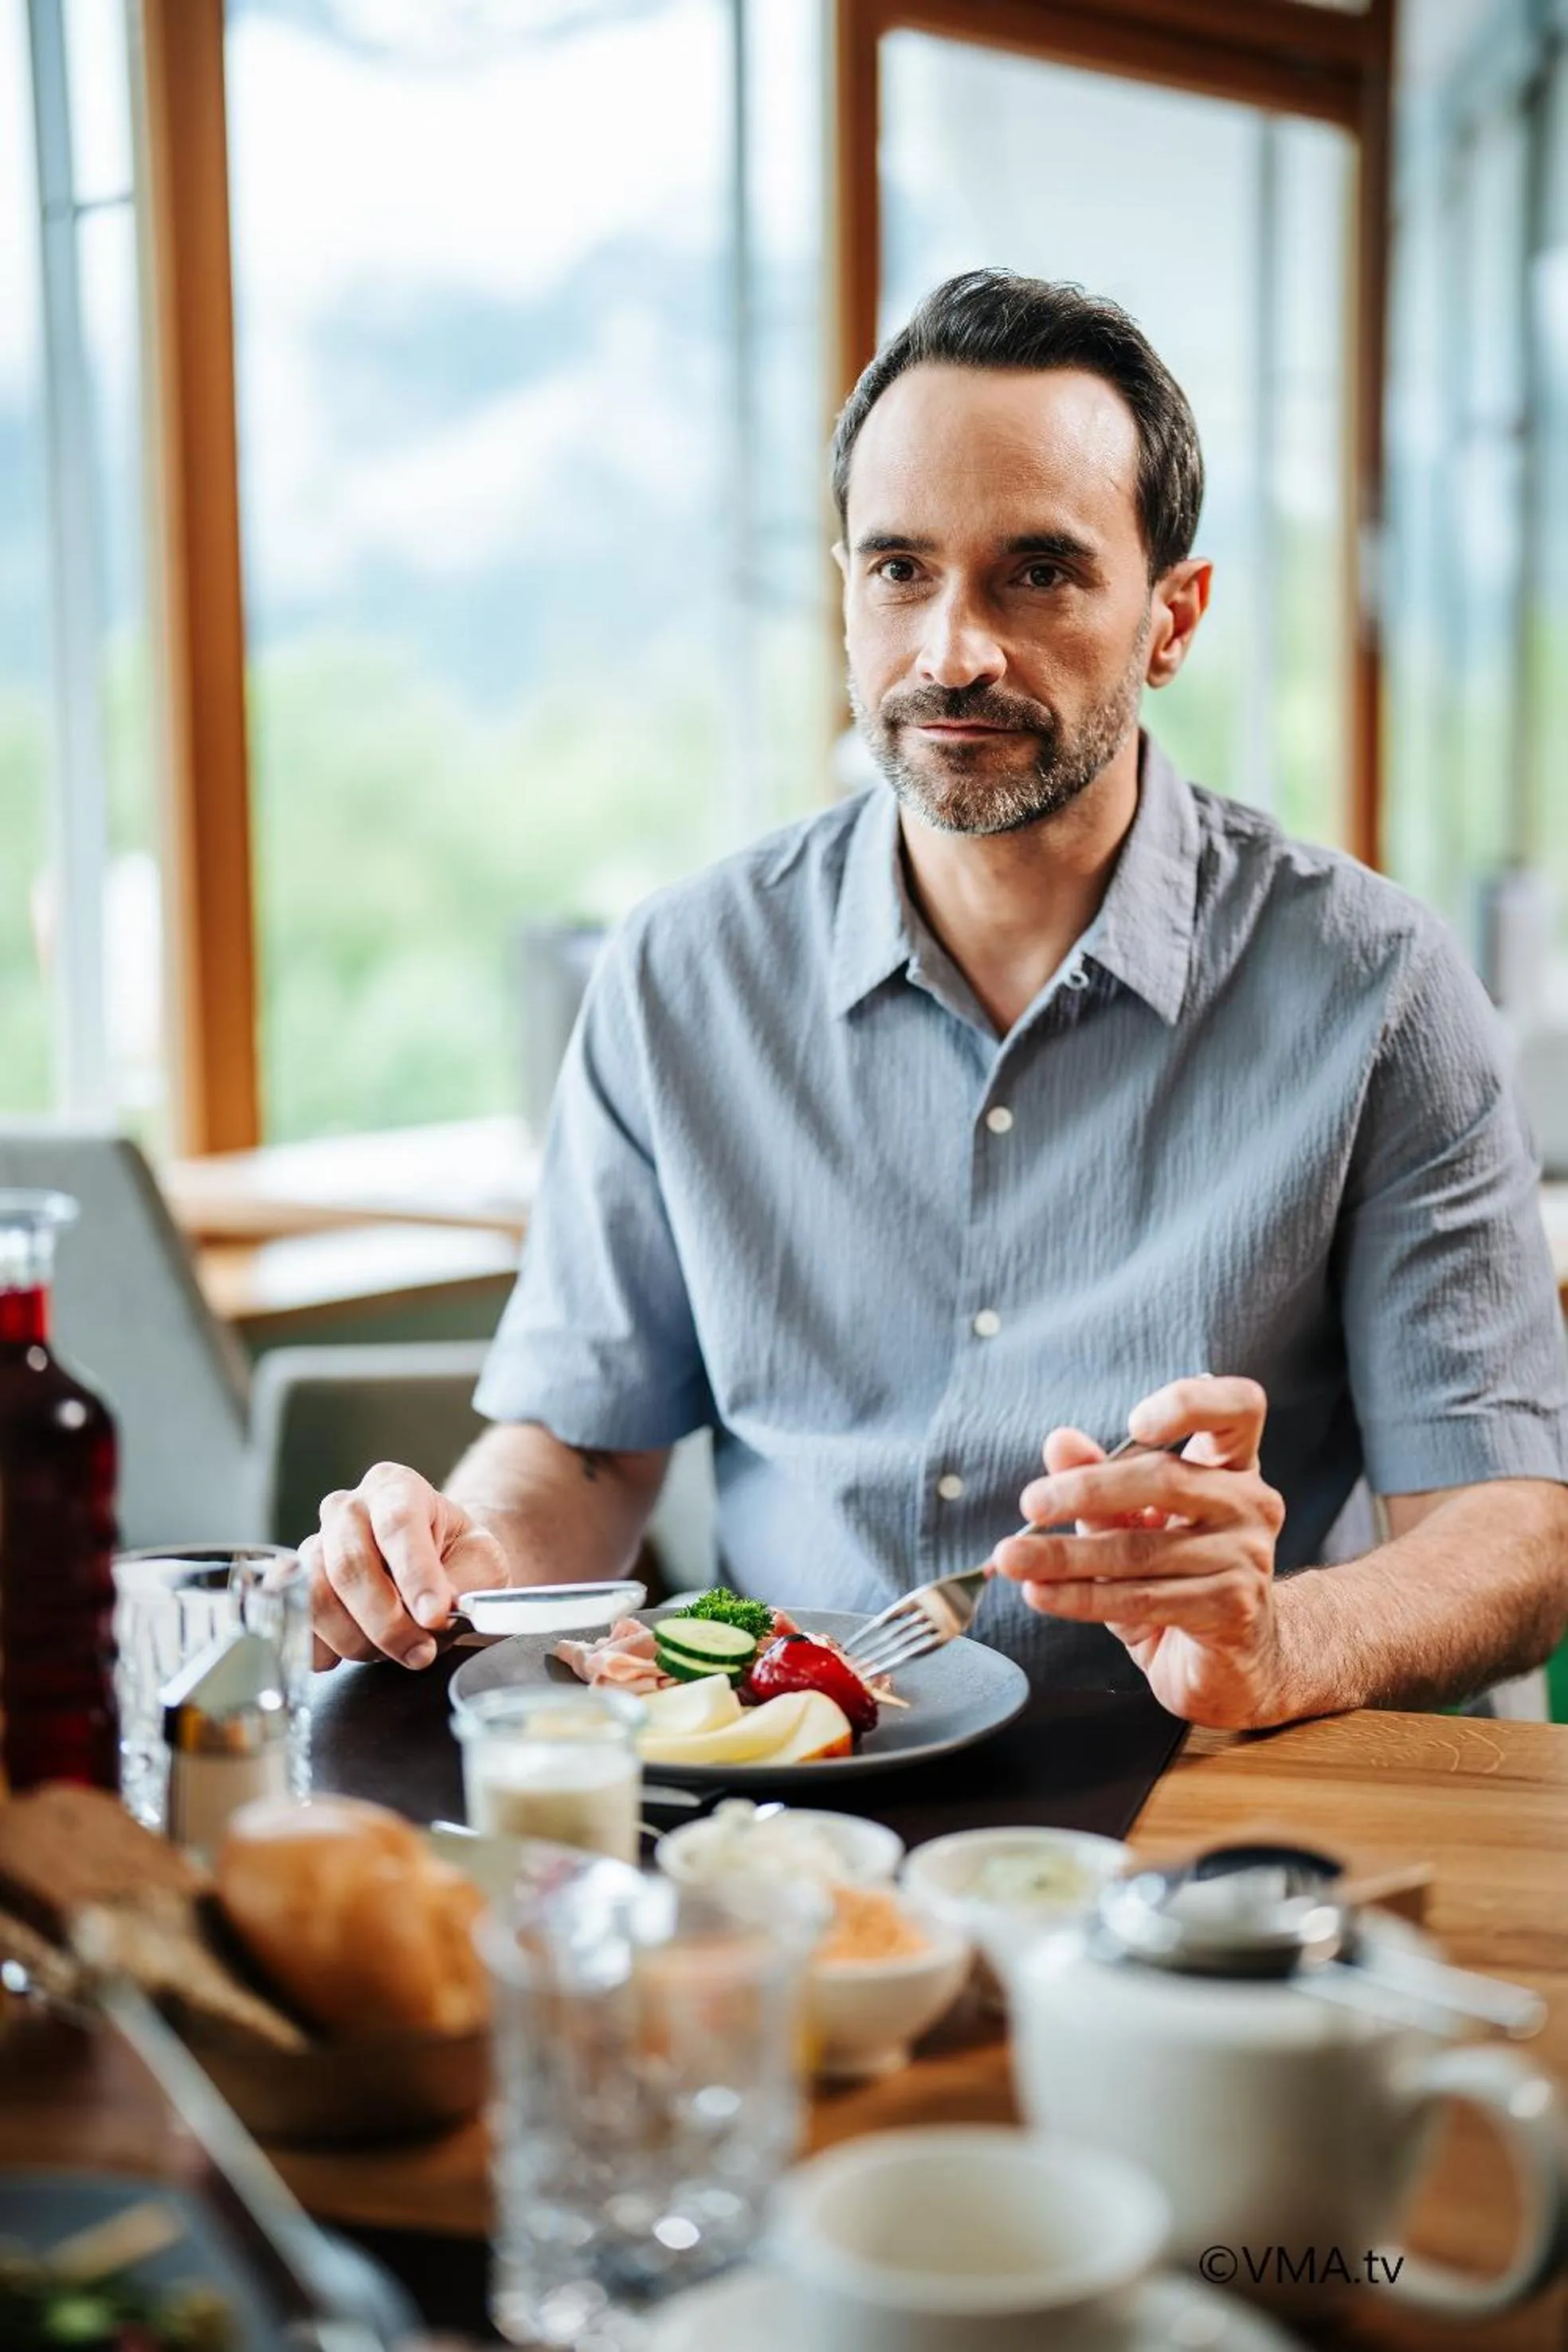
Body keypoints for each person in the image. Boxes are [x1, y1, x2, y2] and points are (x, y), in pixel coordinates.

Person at [306, 269, 1568, 1729]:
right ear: (846, 591)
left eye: (1038, 571)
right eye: (900, 569)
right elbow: (581, 1458)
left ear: (1172, 619)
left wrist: (1283, 1640)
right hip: (787, 1787)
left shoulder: (1381, 987)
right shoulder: (677, 979)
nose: (951, 650)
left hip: (1218, 1792)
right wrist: (467, 1563)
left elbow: (1511, 1537)